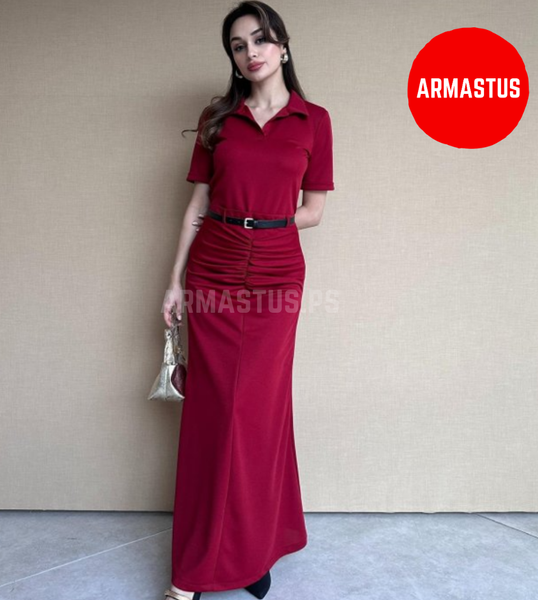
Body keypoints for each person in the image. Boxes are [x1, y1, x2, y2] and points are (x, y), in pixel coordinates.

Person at [161, 2, 334, 599]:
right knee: (212, 413)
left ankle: (254, 549)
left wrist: (262, 224)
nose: (251, 52)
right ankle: (196, 567)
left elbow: (313, 210)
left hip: (277, 274)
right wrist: (175, 281)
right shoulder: (218, 118)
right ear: (232, 58)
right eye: (238, 45)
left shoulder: (314, 120)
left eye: (260, 39)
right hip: (213, 269)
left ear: (282, 45)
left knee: (259, 412)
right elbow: (197, 206)